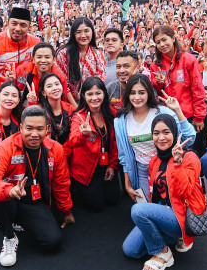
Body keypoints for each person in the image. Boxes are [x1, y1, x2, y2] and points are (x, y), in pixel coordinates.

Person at [0, 106, 74, 267]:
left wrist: (66, 211)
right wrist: (8, 190)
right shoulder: (5, 147)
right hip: (9, 200)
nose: (34, 134)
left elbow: (61, 183)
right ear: (21, 127)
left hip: (35, 202)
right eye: (29, 128)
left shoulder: (55, 148)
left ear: (47, 129)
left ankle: (17, 222)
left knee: (52, 242)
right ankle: (9, 236)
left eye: (40, 129)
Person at [122, 114, 207, 270]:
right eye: (156, 133)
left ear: (174, 133)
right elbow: (156, 194)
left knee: (138, 210)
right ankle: (165, 239)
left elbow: (185, 191)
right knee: (130, 250)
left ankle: (162, 252)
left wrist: (176, 163)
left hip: (182, 216)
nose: (161, 137)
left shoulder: (189, 157)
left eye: (166, 132)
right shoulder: (155, 160)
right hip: (165, 211)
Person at [114, 74, 195, 202]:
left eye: (141, 92)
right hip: (141, 171)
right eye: (132, 93)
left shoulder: (162, 112)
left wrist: (178, 110)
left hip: (166, 166)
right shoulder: (120, 121)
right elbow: (123, 156)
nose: (137, 97)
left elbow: (189, 137)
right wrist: (127, 184)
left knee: (168, 206)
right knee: (147, 207)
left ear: (149, 93)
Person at [64, 77, 119, 211]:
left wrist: (112, 165)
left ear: (104, 94)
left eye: (98, 93)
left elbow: (115, 142)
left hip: (105, 163)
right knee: (97, 206)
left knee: (114, 199)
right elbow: (72, 141)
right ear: (83, 96)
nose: (94, 98)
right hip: (86, 169)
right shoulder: (79, 117)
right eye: (90, 94)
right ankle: (78, 187)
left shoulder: (112, 113)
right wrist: (83, 135)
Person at [149, 25, 206, 132]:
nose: (162, 45)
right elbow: (155, 92)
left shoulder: (188, 59)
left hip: (187, 115)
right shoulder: (155, 65)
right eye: (158, 42)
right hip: (166, 116)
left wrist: (199, 116)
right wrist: (158, 82)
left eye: (164, 40)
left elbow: (197, 88)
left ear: (173, 38)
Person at [54, 17, 106, 102]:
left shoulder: (98, 54)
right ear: (73, 34)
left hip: (91, 102)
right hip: (68, 103)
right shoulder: (63, 54)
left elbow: (100, 80)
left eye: (86, 31)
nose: (83, 35)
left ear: (92, 32)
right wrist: (75, 107)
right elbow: (62, 82)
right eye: (78, 32)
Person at [14, 42, 76, 108]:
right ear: (33, 59)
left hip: (49, 113)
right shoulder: (22, 71)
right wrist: (11, 81)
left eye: (47, 57)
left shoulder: (59, 77)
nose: (43, 60)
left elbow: (62, 101)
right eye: (39, 57)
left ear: (54, 60)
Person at [36, 72, 75, 145]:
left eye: (57, 84)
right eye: (49, 86)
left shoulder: (70, 109)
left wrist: (61, 153)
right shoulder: (38, 110)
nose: (55, 88)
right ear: (44, 92)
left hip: (66, 152)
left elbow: (72, 137)